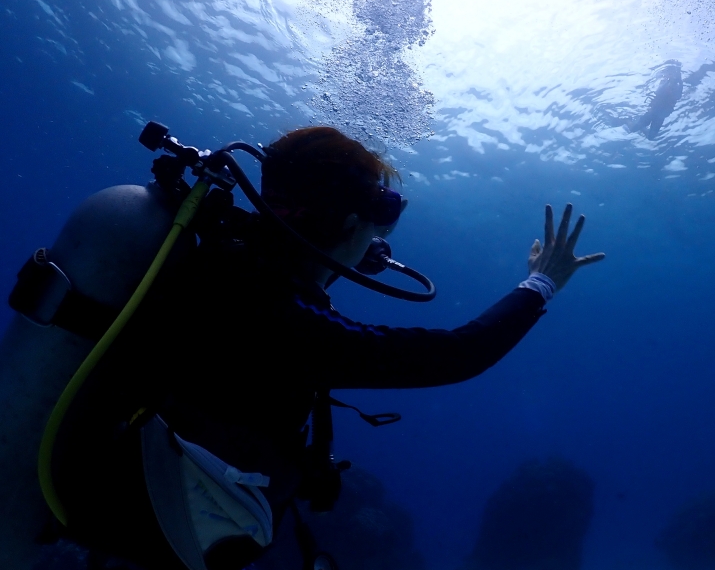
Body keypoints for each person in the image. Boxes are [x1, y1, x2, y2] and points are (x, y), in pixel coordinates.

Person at [50, 126, 605, 570]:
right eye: (375, 219)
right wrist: (541, 282)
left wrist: (340, 251)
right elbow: (458, 353)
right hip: (147, 531)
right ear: (346, 220)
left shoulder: (227, 263)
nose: (382, 240)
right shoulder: (275, 313)